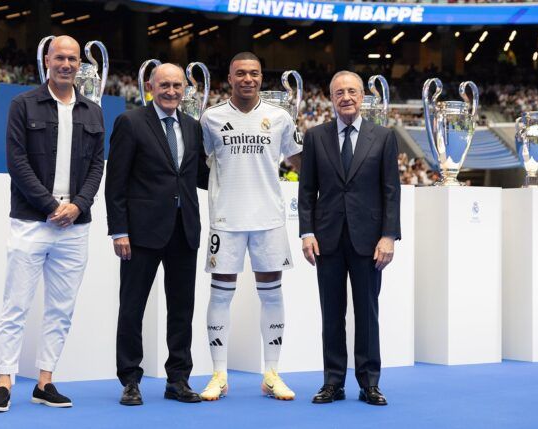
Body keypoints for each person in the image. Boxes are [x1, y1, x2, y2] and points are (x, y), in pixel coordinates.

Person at [0, 35, 105, 412]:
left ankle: (45, 381)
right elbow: (16, 161)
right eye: (60, 58)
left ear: (79, 64)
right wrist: (52, 205)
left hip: (76, 226)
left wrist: (78, 205)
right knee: (16, 304)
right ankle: (4, 380)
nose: (66, 64)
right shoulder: (23, 105)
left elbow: (98, 164)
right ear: (47, 61)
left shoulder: (93, 111)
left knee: (61, 307)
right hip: (32, 221)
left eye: (73, 58)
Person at [198, 52, 302, 402]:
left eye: (254, 73)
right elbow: (197, 163)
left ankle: (271, 373)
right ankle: (219, 374)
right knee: (219, 294)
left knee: (272, 294)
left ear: (261, 77)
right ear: (229, 77)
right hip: (225, 220)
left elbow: (299, 160)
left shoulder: (280, 117)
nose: (247, 79)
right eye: (240, 73)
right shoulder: (211, 118)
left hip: (269, 220)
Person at [105, 63, 209, 406]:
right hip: (140, 233)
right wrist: (119, 230)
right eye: (164, 84)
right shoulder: (130, 122)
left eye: (177, 85)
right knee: (132, 307)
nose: (171, 91)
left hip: (184, 231)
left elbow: (201, 177)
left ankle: (178, 379)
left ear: (184, 90)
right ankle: (130, 380)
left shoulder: (193, 127)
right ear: (150, 86)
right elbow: (116, 182)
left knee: (182, 309)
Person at [298, 70, 401, 406]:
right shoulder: (315, 137)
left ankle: (369, 383)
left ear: (362, 97)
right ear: (331, 97)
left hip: (369, 241)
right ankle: (332, 382)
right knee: (332, 314)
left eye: (352, 91)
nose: (346, 97)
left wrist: (388, 236)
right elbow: (306, 190)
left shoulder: (383, 137)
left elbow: (390, 191)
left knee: (367, 313)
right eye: (339, 92)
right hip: (326, 240)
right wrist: (307, 232)